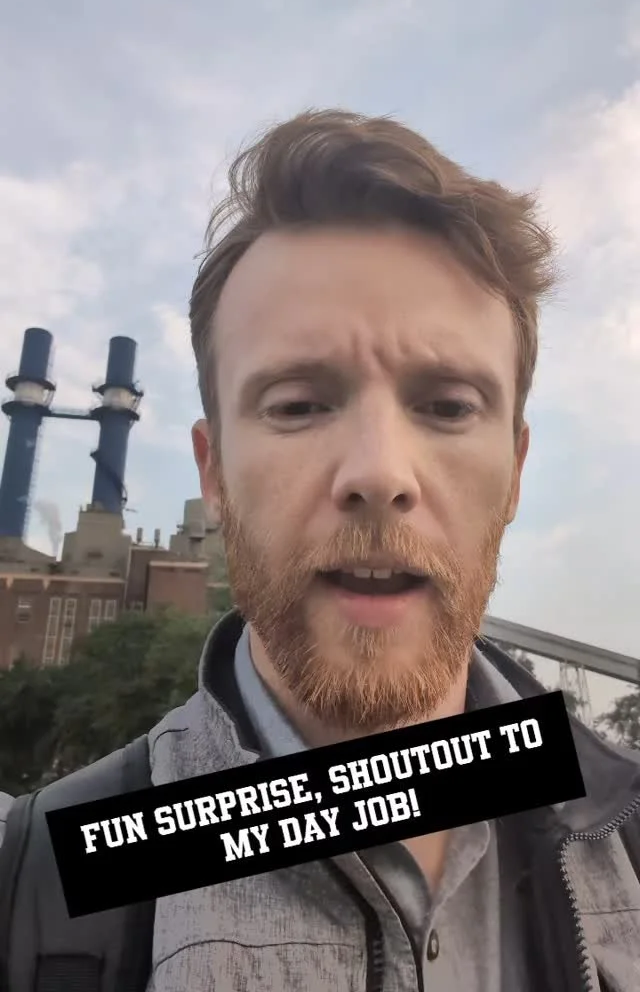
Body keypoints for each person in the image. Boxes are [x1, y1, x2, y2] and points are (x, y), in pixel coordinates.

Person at [2, 109, 640, 992]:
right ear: (214, 472)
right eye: (299, 405)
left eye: (448, 406)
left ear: (517, 472)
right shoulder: (34, 882)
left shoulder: (627, 837)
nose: (378, 473)